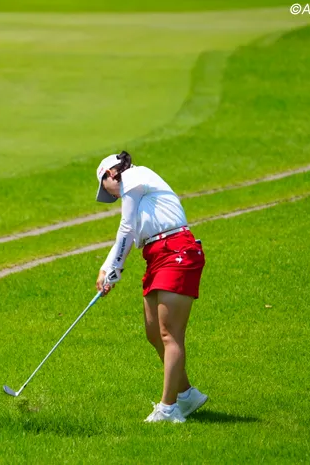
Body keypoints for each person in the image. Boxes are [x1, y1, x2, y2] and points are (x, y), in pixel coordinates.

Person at [94, 151, 208, 423]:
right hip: (156, 256)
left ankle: (168, 409)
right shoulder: (133, 192)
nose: (112, 196)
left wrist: (115, 268)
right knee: (154, 332)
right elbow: (128, 233)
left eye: (106, 189)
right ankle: (187, 395)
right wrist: (107, 269)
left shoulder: (134, 176)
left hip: (177, 251)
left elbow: (125, 228)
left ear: (110, 174)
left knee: (170, 334)